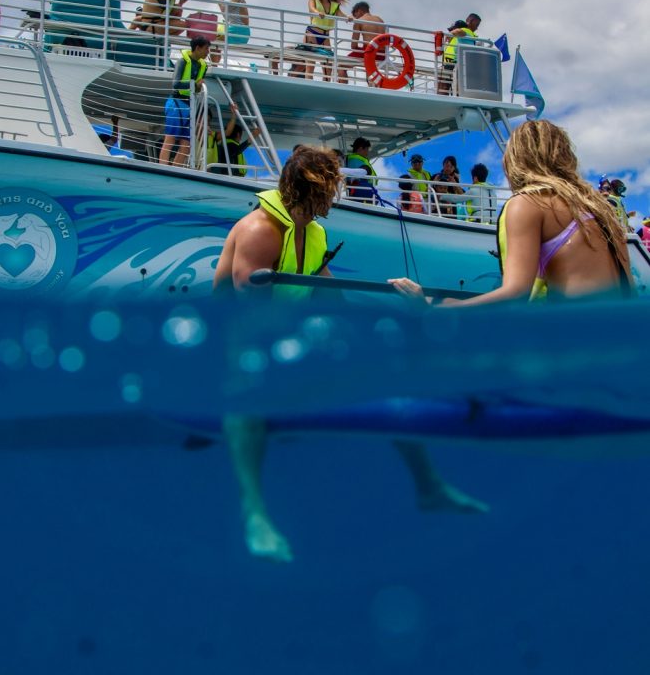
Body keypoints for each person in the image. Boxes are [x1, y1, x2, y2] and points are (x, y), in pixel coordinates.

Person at [213, 146, 486, 563]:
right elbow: (247, 313)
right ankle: (255, 514)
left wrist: (388, 311)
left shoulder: (314, 233)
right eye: (334, 187)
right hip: (234, 343)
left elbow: (332, 299)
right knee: (248, 391)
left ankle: (430, 487)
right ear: (317, 190)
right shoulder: (258, 230)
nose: (338, 196)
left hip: (289, 339)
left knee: (383, 376)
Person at [390, 120, 632, 305]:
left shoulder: (528, 204)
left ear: (516, 160)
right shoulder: (600, 211)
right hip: (622, 347)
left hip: (576, 348)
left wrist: (433, 309)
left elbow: (515, 295)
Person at [158, 37, 210, 166]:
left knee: (186, 145)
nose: (208, 52)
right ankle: (163, 168)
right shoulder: (182, 62)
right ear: (197, 48)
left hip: (189, 105)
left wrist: (197, 87)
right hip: (176, 103)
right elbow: (175, 84)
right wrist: (194, 84)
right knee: (170, 139)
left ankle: (176, 170)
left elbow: (196, 90)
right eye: (206, 49)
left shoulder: (202, 66)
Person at [299, 0, 351, 81]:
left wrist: (347, 17)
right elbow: (312, 8)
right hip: (312, 33)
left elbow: (340, 14)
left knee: (328, 66)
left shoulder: (334, 4)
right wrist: (318, 12)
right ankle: (309, 86)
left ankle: (325, 87)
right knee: (310, 65)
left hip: (325, 36)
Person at [209, 0, 250, 65]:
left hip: (238, 31)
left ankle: (214, 65)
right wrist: (220, 0)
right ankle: (215, 64)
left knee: (214, 43)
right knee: (215, 43)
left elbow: (225, 11)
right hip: (237, 30)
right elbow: (226, 16)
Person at [438, 13, 481, 95]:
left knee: (443, 92)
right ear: (471, 21)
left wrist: (450, 34)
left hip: (452, 65)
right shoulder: (468, 31)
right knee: (457, 92)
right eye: (477, 24)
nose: (477, 27)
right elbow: (459, 31)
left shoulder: (466, 32)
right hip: (454, 65)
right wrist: (451, 34)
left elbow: (459, 31)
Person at [345, 136, 377, 202]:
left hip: (362, 189)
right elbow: (358, 175)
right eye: (366, 150)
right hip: (361, 189)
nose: (367, 153)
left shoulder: (354, 158)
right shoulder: (355, 159)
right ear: (360, 148)